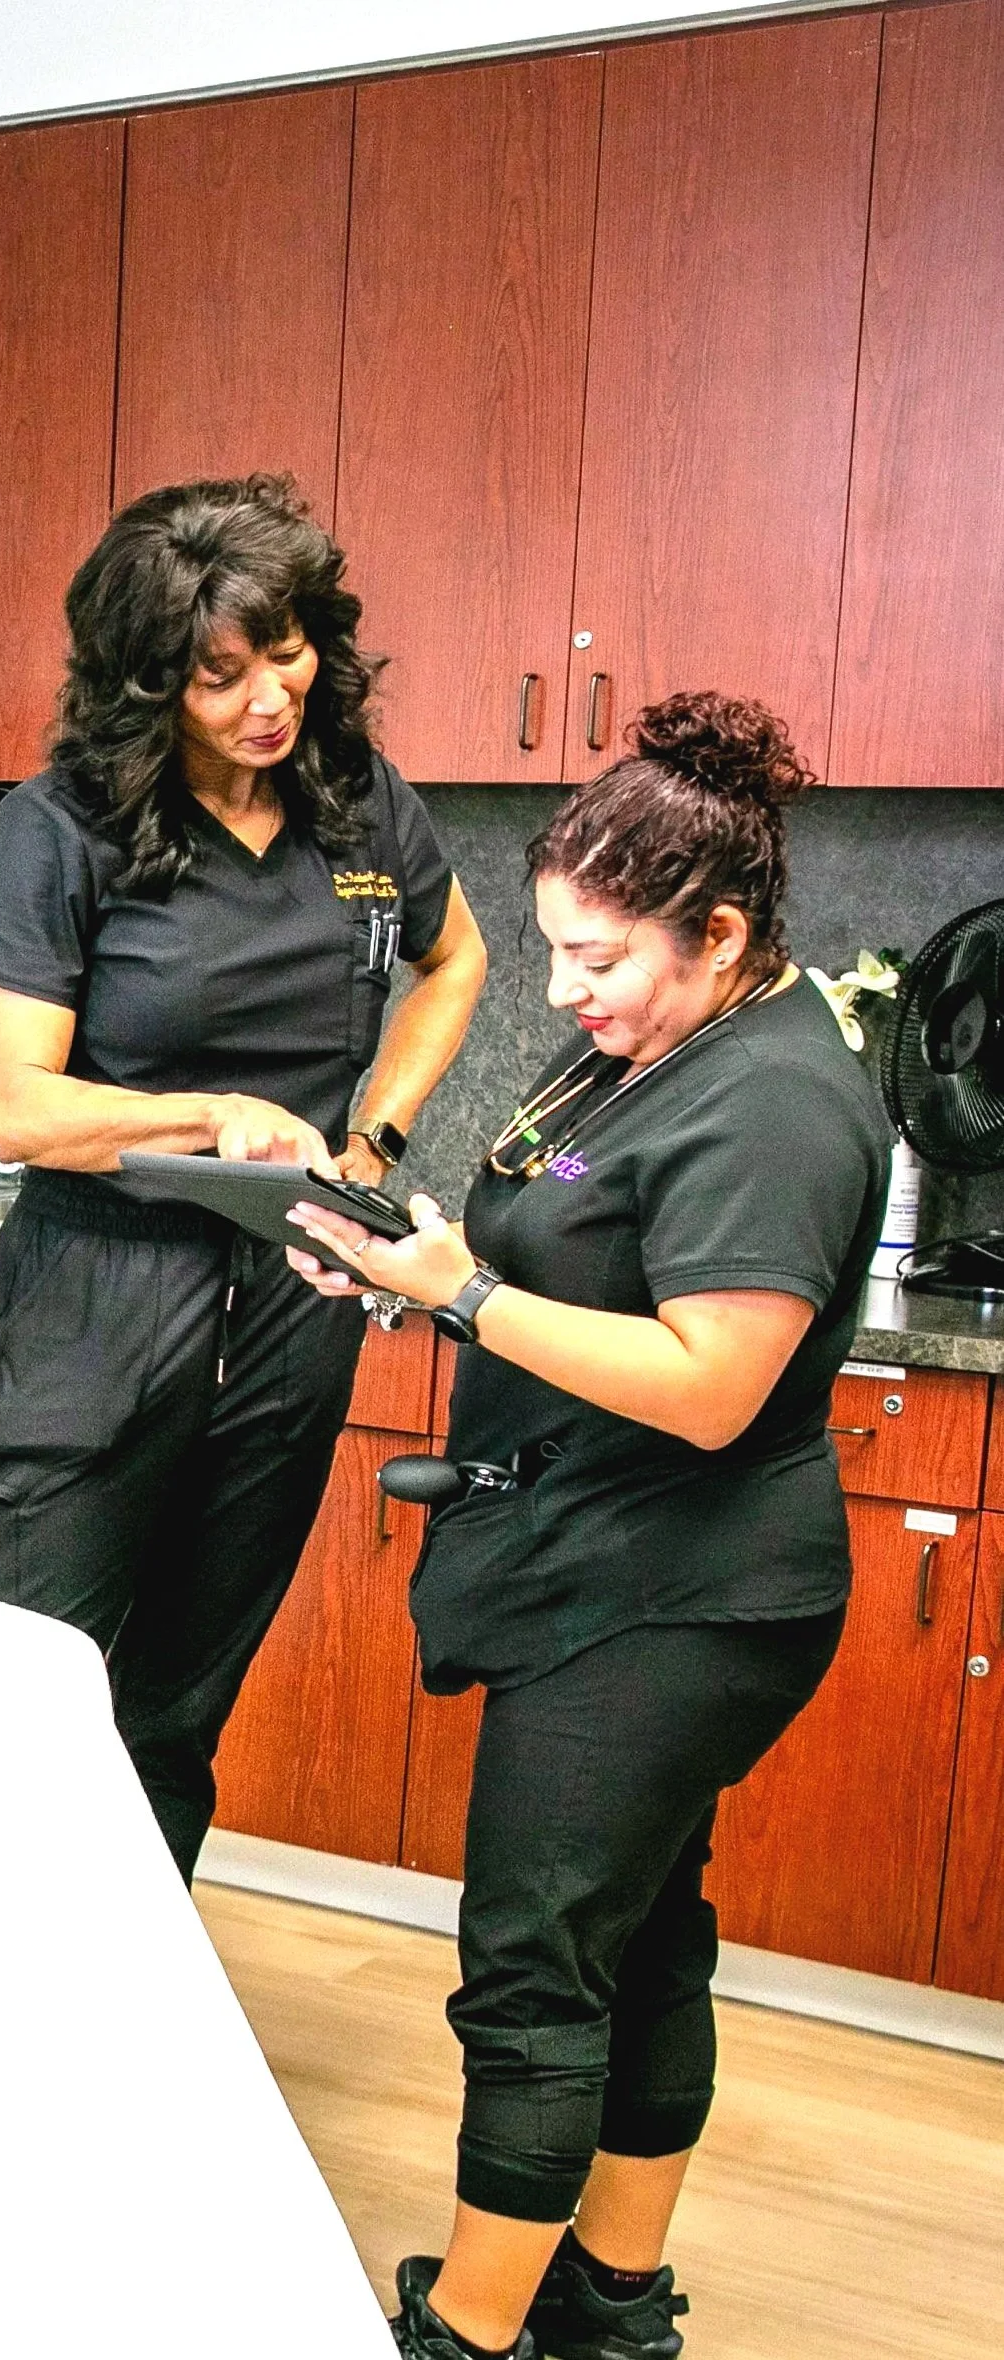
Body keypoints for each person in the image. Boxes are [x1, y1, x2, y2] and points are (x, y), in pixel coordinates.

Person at [285, 692, 890, 2360]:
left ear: (720, 932)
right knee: (638, 1935)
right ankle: (609, 2306)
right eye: (552, 949)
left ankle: (469, 2337)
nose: (563, 990)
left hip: (672, 1596)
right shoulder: (661, 1037)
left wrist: (461, 1294)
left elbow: (708, 1382)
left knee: (535, 1964)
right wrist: (405, 1269)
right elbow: (572, 1249)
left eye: (600, 958)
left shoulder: (770, 1099)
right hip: (599, 1559)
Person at [0, 474, 487, 1882]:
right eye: (216, 675)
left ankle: (128, 2031)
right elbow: (14, 1108)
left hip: (292, 1292)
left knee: (178, 1700)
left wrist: (374, 1142)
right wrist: (209, 1111)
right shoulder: (59, 829)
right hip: (102, 1295)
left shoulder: (357, 804)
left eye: (285, 654)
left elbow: (455, 960)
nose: (264, 701)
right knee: (5, 1679)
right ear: (147, 683)